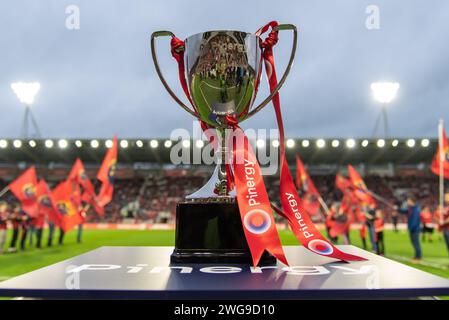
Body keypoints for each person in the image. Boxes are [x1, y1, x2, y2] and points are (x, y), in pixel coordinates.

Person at [396, 195, 422, 263]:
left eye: (408, 200)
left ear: (411, 201)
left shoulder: (416, 209)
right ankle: (416, 256)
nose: (407, 201)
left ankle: (418, 257)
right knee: (414, 243)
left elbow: (415, 220)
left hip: (415, 230)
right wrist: (397, 208)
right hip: (413, 229)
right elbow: (404, 211)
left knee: (416, 243)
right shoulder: (411, 208)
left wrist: (410, 228)